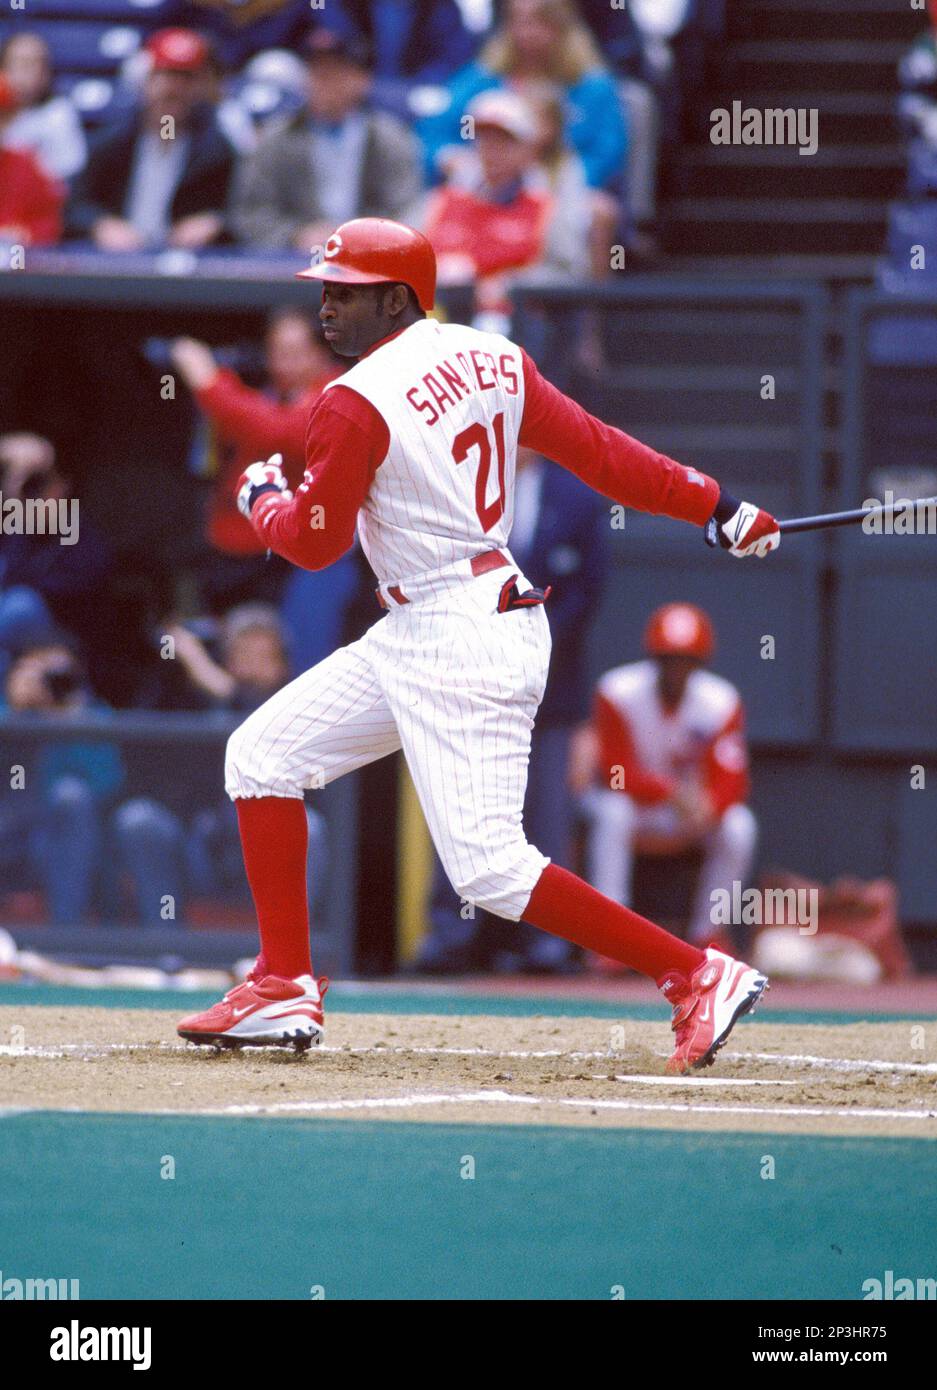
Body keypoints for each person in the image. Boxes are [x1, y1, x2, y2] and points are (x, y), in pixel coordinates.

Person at [177, 217, 778, 1073]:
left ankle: (693, 974)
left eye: (344, 293)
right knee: (262, 757)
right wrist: (718, 506)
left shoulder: (352, 399)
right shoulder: (491, 354)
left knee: (489, 869)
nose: (325, 309)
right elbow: (602, 454)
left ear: (396, 298)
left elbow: (309, 543)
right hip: (440, 618)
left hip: (458, 631)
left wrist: (261, 497)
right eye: (324, 290)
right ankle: (282, 983)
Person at [418, 444, 609, 973]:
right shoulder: (461, 488)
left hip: (547, 683)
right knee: (460, 801)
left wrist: (527, 639)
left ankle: (548, 941)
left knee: (547, 814)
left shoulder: (574, 497)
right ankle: (454, 933)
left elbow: (588, 589)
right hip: (468, 676)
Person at [576, 602, 757, 953]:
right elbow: (614, 774)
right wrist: (668, 791)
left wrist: (711, 806)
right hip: (638, 806)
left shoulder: (720, 700)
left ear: (700, 662)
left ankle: (708, 934)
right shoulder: (618, 690)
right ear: (653, 658)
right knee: (613, 811)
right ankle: (610, 935)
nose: (677, 668)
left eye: (686, 660)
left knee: (739, 825)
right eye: (668, 659)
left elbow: (734, 778)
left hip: (687, 814)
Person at [169, 310, 340, 613]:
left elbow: (278, 432)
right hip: (232, 546)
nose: (280, 365)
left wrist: (208, 381)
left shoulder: (337, 392)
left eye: (293, 354)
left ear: (321, 353)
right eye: (275, 353)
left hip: (294, 555)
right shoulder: (273, 393)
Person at [230, 27, 423, 252]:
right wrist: (296, 234)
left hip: (370, 262)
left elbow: (408, 209)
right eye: (316, 71)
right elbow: (249, 212)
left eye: (336, 72)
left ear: (361, 79)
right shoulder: (276, 139)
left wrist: (360, 237)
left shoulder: (390, 137)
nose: (324, 82)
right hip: (291, 265)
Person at [419, 0, 628, 194]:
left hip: (561, 193)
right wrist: (453, 159)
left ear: (563, 26)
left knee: (600, 210)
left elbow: (607, 153)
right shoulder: (482, 79)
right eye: (520, 22)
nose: (529, 33)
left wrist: (553, 180)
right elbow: (434, 130)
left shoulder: (592, 86)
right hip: (481, 189)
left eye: (541, 22)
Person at [66, 28, 235, 252]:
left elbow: (244, 209)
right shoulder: (111, 142)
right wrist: (101, 224)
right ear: (145, 81)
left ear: (199, 87)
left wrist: (214, 221)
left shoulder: (216, 149)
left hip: (183, 265)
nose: (173, 88)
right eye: (165, 75)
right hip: (117, 262)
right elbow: (74, 204)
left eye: (185, 78)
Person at [0, 31, 87, 181]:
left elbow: (69, 170)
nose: (34, 72)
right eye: (23, 64)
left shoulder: (59, 112)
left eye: (40, 63)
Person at [0, 75, 65, 246]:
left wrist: (23, 236)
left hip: (13, 263)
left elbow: (49, 225)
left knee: (15, 258)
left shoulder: (26, 165)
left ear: (9, 118)